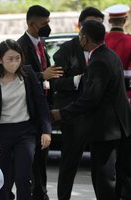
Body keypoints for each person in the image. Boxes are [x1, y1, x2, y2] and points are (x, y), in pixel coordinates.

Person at [51, 20, 131, 200]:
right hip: (120, 127)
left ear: (85, 38)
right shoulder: (111, 55)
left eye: (80, 35)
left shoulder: (99, 61)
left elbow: (90, 99)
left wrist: (61, 113)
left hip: (105, 131)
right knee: (121, 179)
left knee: (104, 181)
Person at [0, 39, 52, 200]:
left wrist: (46, 131)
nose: (15, 63)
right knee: (2, 180)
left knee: (23, 177)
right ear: (0, 59)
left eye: (18, 58)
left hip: (25, 132)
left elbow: (41, 103)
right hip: (1, 133)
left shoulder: (28, 74)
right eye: (10, 59)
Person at [51, 7, 104, 200]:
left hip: (99, 116)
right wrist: (79, 79)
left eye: (98, 24)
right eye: (90, 23)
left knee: (101, 166)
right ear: (80, 26)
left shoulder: (104, 50)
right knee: (69, 163)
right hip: (74, 116)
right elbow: (55, 82)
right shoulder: (65, 50)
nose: (94, 27)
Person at [17, 5, 63, 200]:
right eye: (44, 24)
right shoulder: (20, 46)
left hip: (44, 107)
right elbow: (18, 76)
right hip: (30, 111)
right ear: (32, 24)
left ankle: (40, 192)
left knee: (42, 157)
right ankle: (38, 194)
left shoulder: (40, 44)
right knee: (33, 159)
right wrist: (41, 75)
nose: (48, 26)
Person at [105, 4, 131, 103]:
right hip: (124, 95)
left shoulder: (100, 40)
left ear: (110, 21)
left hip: (102, 95)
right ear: (125, 21)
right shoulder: (130, 40)